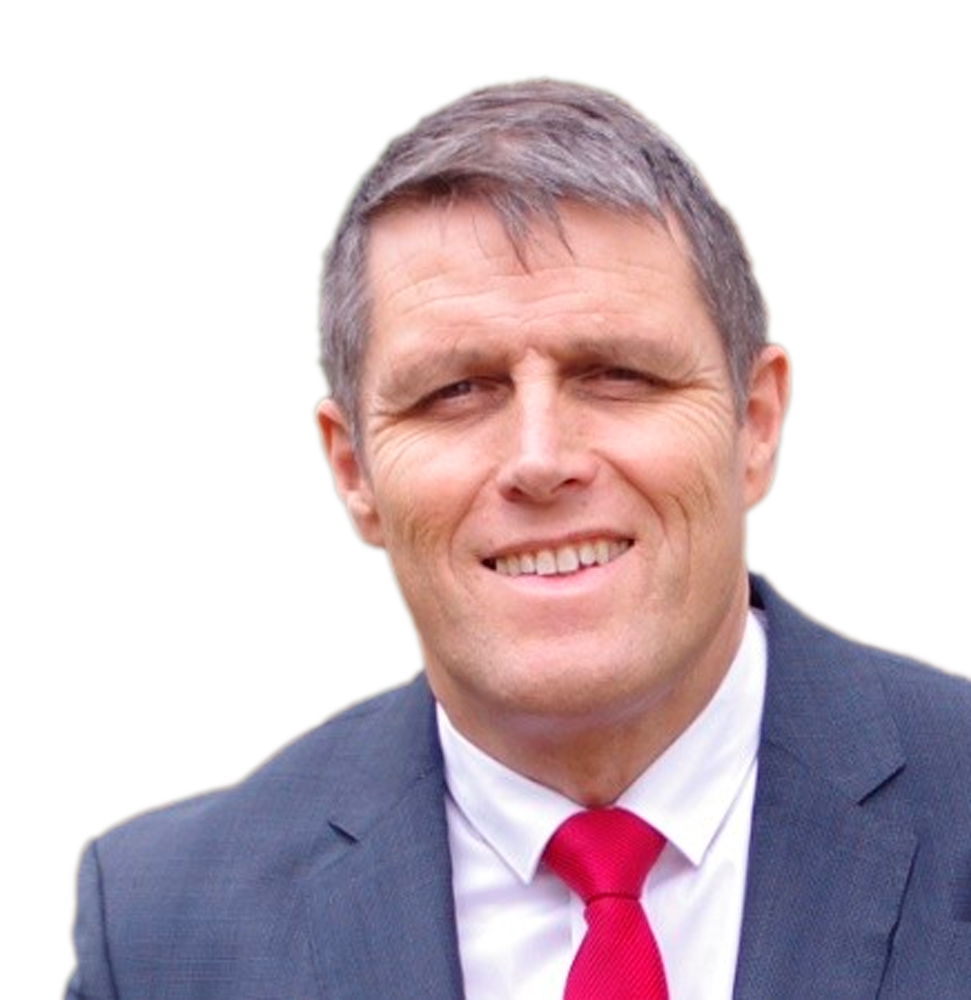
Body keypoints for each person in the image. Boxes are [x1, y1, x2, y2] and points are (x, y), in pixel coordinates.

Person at [65, 79, 971, 999]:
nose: (541, 461)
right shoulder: (162, 937)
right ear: (354, 470)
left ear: (756, 423)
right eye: (455, 391)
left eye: (617, 374)